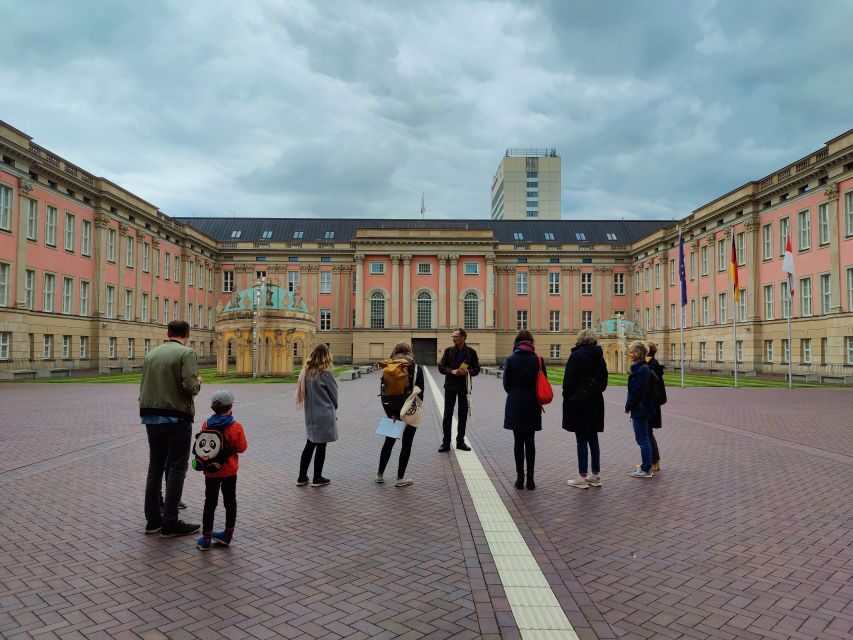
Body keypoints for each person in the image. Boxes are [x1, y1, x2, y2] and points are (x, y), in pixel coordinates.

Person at [139, 320, 202, 537]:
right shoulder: (186, 353)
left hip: (150, 415)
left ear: (168, 333)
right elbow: (191, 387)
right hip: (176, 416)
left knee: (155, 467)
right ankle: (170, 522)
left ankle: (153, 520)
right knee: (177, 467)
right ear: (187, 334)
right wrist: (198, 382)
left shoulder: (151, 354)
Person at [196, 390, 248, 550]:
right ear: (230, 407)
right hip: (229, 471)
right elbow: (242, 447)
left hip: (211, 470)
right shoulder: (236, 426)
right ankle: (227, 534)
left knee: (210, 502)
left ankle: (206, 538)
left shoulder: (206, 424)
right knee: (230, 501)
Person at [562, 329, 609, 489]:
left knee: (581, 438)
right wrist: (594, 389)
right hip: (595, 400)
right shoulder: (599, 357)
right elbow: (604, 382)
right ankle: (595, 475)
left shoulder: (576, 356)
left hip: (579, 401)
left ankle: (582, 476)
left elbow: (568, 381)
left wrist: (568, 396)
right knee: (593, 438)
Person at [376, 343, 425, 487]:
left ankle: (380, 475)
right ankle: (400, 478)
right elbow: (420, 393)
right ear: (410, 352)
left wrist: (390, 413)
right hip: (409, 410)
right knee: (407, 443)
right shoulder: (416, 368)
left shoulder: (389, 367)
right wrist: (415, 412)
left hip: (392, 410)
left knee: (389, 442)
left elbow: (383, 393)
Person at [502, 330, 543, 490]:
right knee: (530, 441)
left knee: (518, 442)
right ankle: (531, 479)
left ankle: (520, 478)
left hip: (515, 402)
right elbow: (543, 382)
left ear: (517, 342)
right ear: (531, 342)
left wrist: (515, 392)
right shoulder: (538, 360)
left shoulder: (511, 359)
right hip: (532, 403)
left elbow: (506, 384)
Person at [296, 343, 338, 487]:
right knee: (321, 445)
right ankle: (317, 477)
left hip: (310, 413)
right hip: (324, 413)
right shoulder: (326, 373)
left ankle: (302, 476)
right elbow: (334, 394)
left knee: (310, 443)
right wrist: (335, 408)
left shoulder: (306, 372)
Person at [437, 328, 480, 452]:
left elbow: (477, 369)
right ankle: (446, 443)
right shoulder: (448, 351)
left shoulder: (471, 352)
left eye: (456, 336)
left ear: (463, 337)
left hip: (464, 387)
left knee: (462, 415)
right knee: (447, 415)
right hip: (450, 386)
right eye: (453, 336)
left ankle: (460, 442)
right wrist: (452, 371)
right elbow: (441, 367)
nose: (453, 338)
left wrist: (467, 371)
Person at [625, 340, 654, 478]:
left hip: (641, 409)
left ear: (639, 353)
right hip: (642, 408)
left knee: (642, 439)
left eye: (632, 352)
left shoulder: (642, 370)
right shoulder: (641, 368)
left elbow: (636, 391)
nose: (630, 354)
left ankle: (646, 468)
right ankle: (647, 466)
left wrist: (628, 406)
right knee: (644, 438)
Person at [646, 341, 665, 472]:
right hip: (653, 404)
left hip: (650, 404)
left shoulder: (651, 366)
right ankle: (655, 461)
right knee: (648, 433)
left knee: (647, 433)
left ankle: (653, 461)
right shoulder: (654, 364)